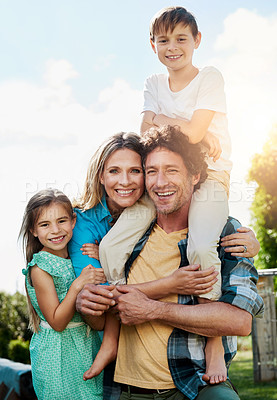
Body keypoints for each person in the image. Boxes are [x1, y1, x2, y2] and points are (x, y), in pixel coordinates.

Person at [76, 126, 264, 400]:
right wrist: (87, 304)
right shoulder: (122, 233)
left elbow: (240, 321)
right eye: (151, 171)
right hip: (127, 389)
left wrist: (154, 309)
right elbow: (103, 319)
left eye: (172, 170)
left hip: (192, 384)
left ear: (195, 175)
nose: (160, 182)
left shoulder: (225, 233)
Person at [139, 5, 233, 383]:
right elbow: (146, 129)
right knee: (115, 243)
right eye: (164, 40)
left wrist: (164, 123)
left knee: (199, 247)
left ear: (196, 41)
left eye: (181, 38)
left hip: (211, 177)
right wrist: (182, 126)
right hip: (166, 180)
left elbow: (194, 136)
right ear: (153, 45)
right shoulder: (153, 82)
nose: (172, 47)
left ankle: (213, 340)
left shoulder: (209, 77)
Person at [19, 189, 106, 399]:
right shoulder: (40, 268)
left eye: (62, 221)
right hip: (56, 355)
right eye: (45, 224)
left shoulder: (75, 259)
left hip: (85, 347)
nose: (56, 230)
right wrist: (77, 286)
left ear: (73, 221)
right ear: (33, 230)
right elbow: (57, 322)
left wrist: (102, 253)